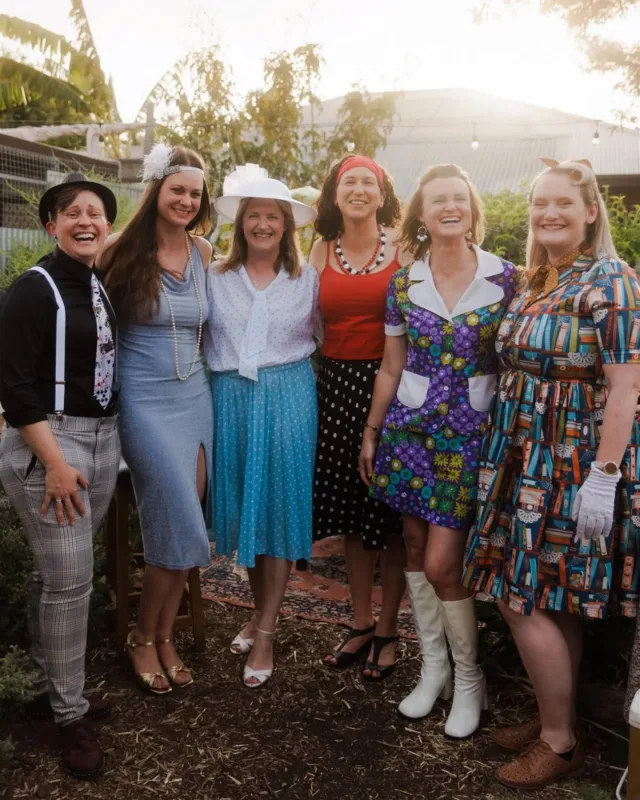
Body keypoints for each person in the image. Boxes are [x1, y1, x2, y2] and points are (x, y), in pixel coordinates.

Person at [463, 158, 640, 788]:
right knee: (551, 590)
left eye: (563, 203)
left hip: (571, 459)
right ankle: (553, 719)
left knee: (520, 595)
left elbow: (626, 386)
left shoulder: (610, 277)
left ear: (591, 212)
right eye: (540, 204)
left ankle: (560, 743)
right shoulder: (538, 279)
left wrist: (605, 475)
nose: (548, 214)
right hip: (522, 452)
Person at [360, 163, 518, 736]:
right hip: (408, 431)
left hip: (468, 437)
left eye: (458, 198)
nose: (449, 207)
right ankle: (434, 670)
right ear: (421, 217)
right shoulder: (404, 283)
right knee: (413, 544)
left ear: (472, 209)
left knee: (442, 562)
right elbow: (391, 364)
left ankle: (469, 680)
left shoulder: (508, 280)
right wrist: (372, 431)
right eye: (437, 201)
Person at [0, 173, 120, 779]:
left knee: (60, 577)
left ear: (107, 227)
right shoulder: (31, 288)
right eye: (71, 212)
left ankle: (43, 686)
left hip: (100, 439)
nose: (85, 221)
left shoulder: (98, 284)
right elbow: (14, 387)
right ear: (51, 226)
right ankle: (69, 717)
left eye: (95, 213)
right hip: (51, 443)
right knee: (72, 581)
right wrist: (52, 463)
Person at [101, 144, 213, 694]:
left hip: (196, 396)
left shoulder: (205, 253)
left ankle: (165, 635)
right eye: (177, 190)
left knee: (184, 518)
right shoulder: (119, 250)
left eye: (195, 193)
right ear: (156, 192)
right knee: (182, 519)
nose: (186, 201)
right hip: (142, 401)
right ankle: (141, 637)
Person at [205, 166, 318, 688]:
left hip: (290, 394)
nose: (263, 224)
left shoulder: (307, 279)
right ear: (241, 223)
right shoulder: (216, 274)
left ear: (287, 225)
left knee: (279, 507)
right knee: (251, 507)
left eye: (273, 216)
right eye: (254, 215)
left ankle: (267, 629)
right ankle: (258, 610)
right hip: (231, 397)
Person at [308, 154, 410, 680]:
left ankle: (390, 628)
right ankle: (362, 621)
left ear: (382, 193)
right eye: (349, 181)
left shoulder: (407, 249)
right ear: (334, 193)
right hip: (336, 387)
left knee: (389, 513)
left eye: (368, 181)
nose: (358, 189)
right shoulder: (319, 250)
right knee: (350, 510)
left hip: (394, 387)